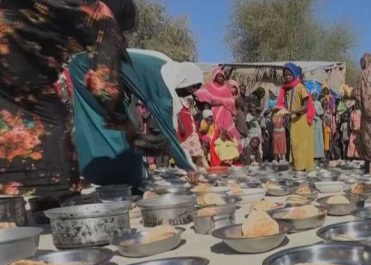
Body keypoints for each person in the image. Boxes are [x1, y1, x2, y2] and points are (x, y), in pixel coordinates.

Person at [0, 0, 136, 199]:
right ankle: (57, 202)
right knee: (53, 125)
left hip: (12, 52)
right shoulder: (103, 16)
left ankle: (14, 205)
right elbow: (103, 86)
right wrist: (125, 123)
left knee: (12, 121)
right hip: (16, 59)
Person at [71, 48, 197, 187]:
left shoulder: (166, 65)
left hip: (91, 68)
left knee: (117, 126)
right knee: (115, 127)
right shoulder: (162, 88)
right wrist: (187, 166)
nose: (188, 93)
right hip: (89, 71)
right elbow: (168, 131)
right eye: (189, 88)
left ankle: (110, 177)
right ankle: (111, 179)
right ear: (184, 79)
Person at [276, 63, 316, 171]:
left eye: (289, 74)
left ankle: (302, 169)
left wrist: (291, 112)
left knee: (300, 145)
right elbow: (284, 104)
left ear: (294, 74)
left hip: (302, 120)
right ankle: (298, 167)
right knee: (294, 144)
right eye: (285, 75)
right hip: (293, 120)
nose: (287, 77)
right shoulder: (285, 89)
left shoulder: (300, 88)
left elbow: (305, 106)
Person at [195, 67, 238, 140]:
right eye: (218, 76)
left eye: (222, 76)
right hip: (214, 111)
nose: (220, 78)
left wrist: (221, 101)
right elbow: (200, 93)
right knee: (215, 129)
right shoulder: (210, 86)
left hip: (225, 112)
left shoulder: (226, 88)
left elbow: (231, 101)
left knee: (227, 131)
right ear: (215, 77)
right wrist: (211, 101)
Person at [312, 91, 325, 160]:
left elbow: (321, 112)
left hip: (318, 122)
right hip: (312, 121)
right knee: (313, 138)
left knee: (318, 137)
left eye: (315, 95)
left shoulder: (318, 103)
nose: (313, 96)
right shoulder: (310, 103)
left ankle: (319, 154)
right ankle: (313, 154)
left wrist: (318, 113)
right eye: (312, 95)